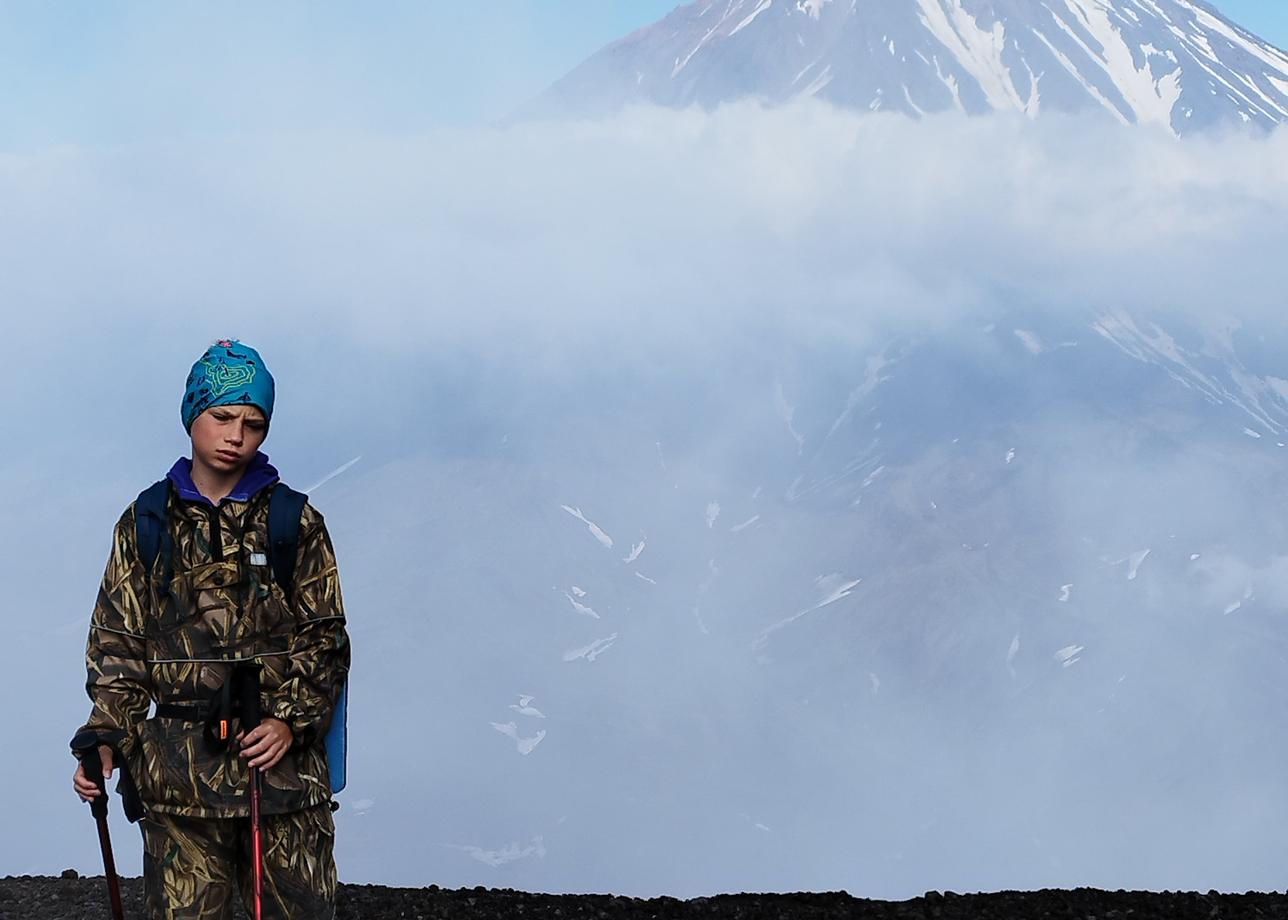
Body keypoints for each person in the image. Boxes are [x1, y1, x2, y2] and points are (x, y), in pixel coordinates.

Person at [71, 339, 351, 919]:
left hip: (281, 785)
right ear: (192, 414)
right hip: (178, 788)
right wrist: (106, 737)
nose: (236, 435)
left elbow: (324, 637)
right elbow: (118, 643)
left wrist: (288, 719)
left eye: (253, 423)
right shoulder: (146, 523)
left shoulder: (293, 522)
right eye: (221, 416)